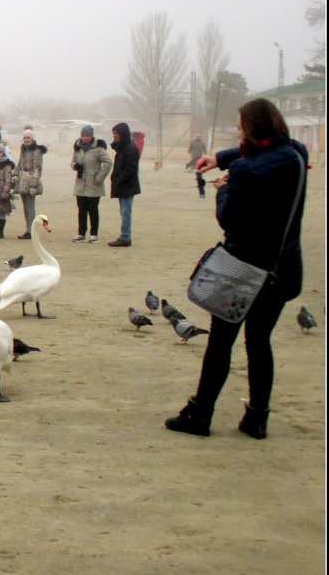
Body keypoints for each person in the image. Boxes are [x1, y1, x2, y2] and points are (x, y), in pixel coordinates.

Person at [165, 98, 308, 439]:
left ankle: (200, 414)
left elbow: (228, 219)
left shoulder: (246, 173)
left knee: (221, 343)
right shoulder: (295, 157)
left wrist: (223, 189)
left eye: (242, 126)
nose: (239, 130)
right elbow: (285, 147)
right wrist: (221, 158)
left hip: (242, 271)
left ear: (254, 130)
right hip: (282, 270)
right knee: (259, 342)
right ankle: (257, 418)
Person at [70, 124, 112, 243]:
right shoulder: (77, 148)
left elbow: (108, 162)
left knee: (93, 210)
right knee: (81, 210)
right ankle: (81, 233)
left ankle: (94, 235)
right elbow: (72, 162)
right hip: (80, 184)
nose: (85, 138)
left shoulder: (98, 149)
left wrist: (100, 177)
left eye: (87, 135)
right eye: (83, 135)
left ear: (91, 136)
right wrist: (75, 166)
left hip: (94, 184)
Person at [108, 122, 141, 247]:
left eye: (116, 133)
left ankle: (125, 237)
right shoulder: (123, 148)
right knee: (124, 211)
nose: (115, 136)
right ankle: (125, 236)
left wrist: (119, 179)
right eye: (114, 133)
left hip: (127, 185)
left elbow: (131, 169)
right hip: (122, 184)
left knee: (125, 211)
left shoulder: (131, 149)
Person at [12, 129, 47, 239]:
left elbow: (38, 169)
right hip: (23, 180)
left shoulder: (37, 151)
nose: (26, 139)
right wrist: (15, 174)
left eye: (28, 137)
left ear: (32, 139)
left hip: (31, 179)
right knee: (25, 207)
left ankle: (31, 231)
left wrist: (33, 184)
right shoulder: (23, 149)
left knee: (30, 207)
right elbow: (19, 163)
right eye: (25, 137)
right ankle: (28, 230)